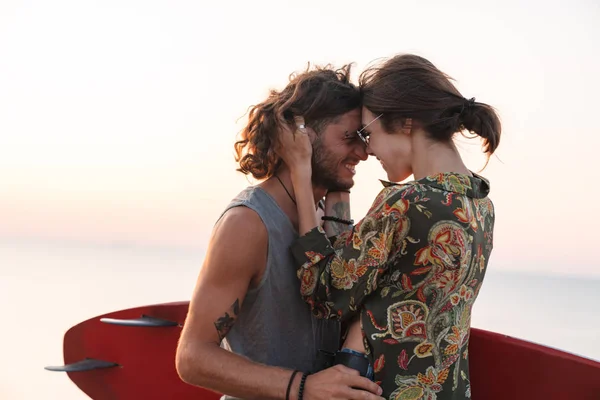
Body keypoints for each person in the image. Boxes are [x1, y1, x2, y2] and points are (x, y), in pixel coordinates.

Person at [276, 54, 501, 399]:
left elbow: (325, 293)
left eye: (368, 133)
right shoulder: (482, 206)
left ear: (406, 122)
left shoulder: (407, 203)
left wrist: (301, 173)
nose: (368, 150)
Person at [175, 64, 384, 400]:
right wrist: (303, 387)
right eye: (349, 137)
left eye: (363, 139)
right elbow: (192, 357)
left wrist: (335, 187)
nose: (363, 153)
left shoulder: (323, 213)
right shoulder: (247, 223)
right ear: (301, 135)